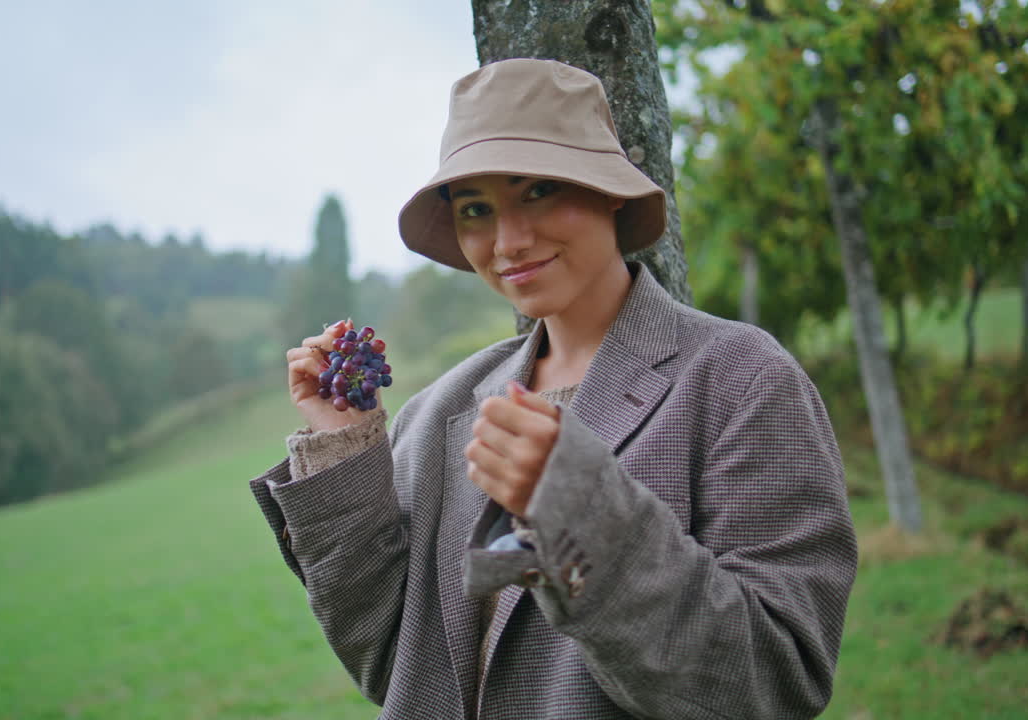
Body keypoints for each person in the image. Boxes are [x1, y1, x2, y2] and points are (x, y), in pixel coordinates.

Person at [250, 58, 857, 720]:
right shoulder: (440, 414)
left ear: (612, 191)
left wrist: (577, 506)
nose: (509, 241)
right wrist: (344, 451)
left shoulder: (740, 380)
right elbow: (394, 664)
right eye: (476, 209)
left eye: (538, 190)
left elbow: (772, 682)